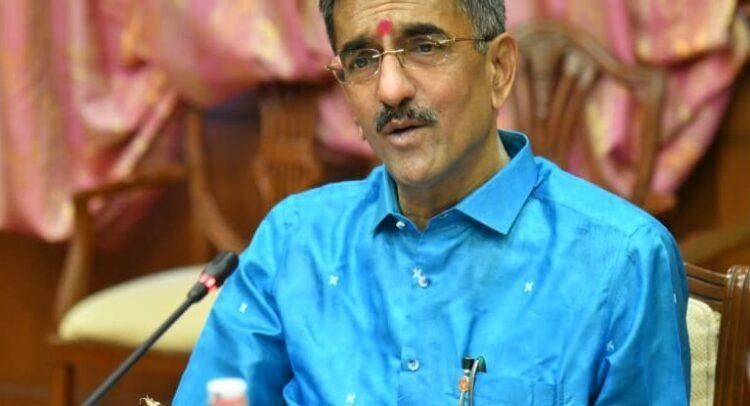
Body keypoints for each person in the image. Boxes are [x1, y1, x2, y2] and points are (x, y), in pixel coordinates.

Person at [174, 0, 690, 404]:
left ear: (498, 69)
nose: (390, 90)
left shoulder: (619, 260)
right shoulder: (295, 242)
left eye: (424, 46)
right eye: (362, 60)